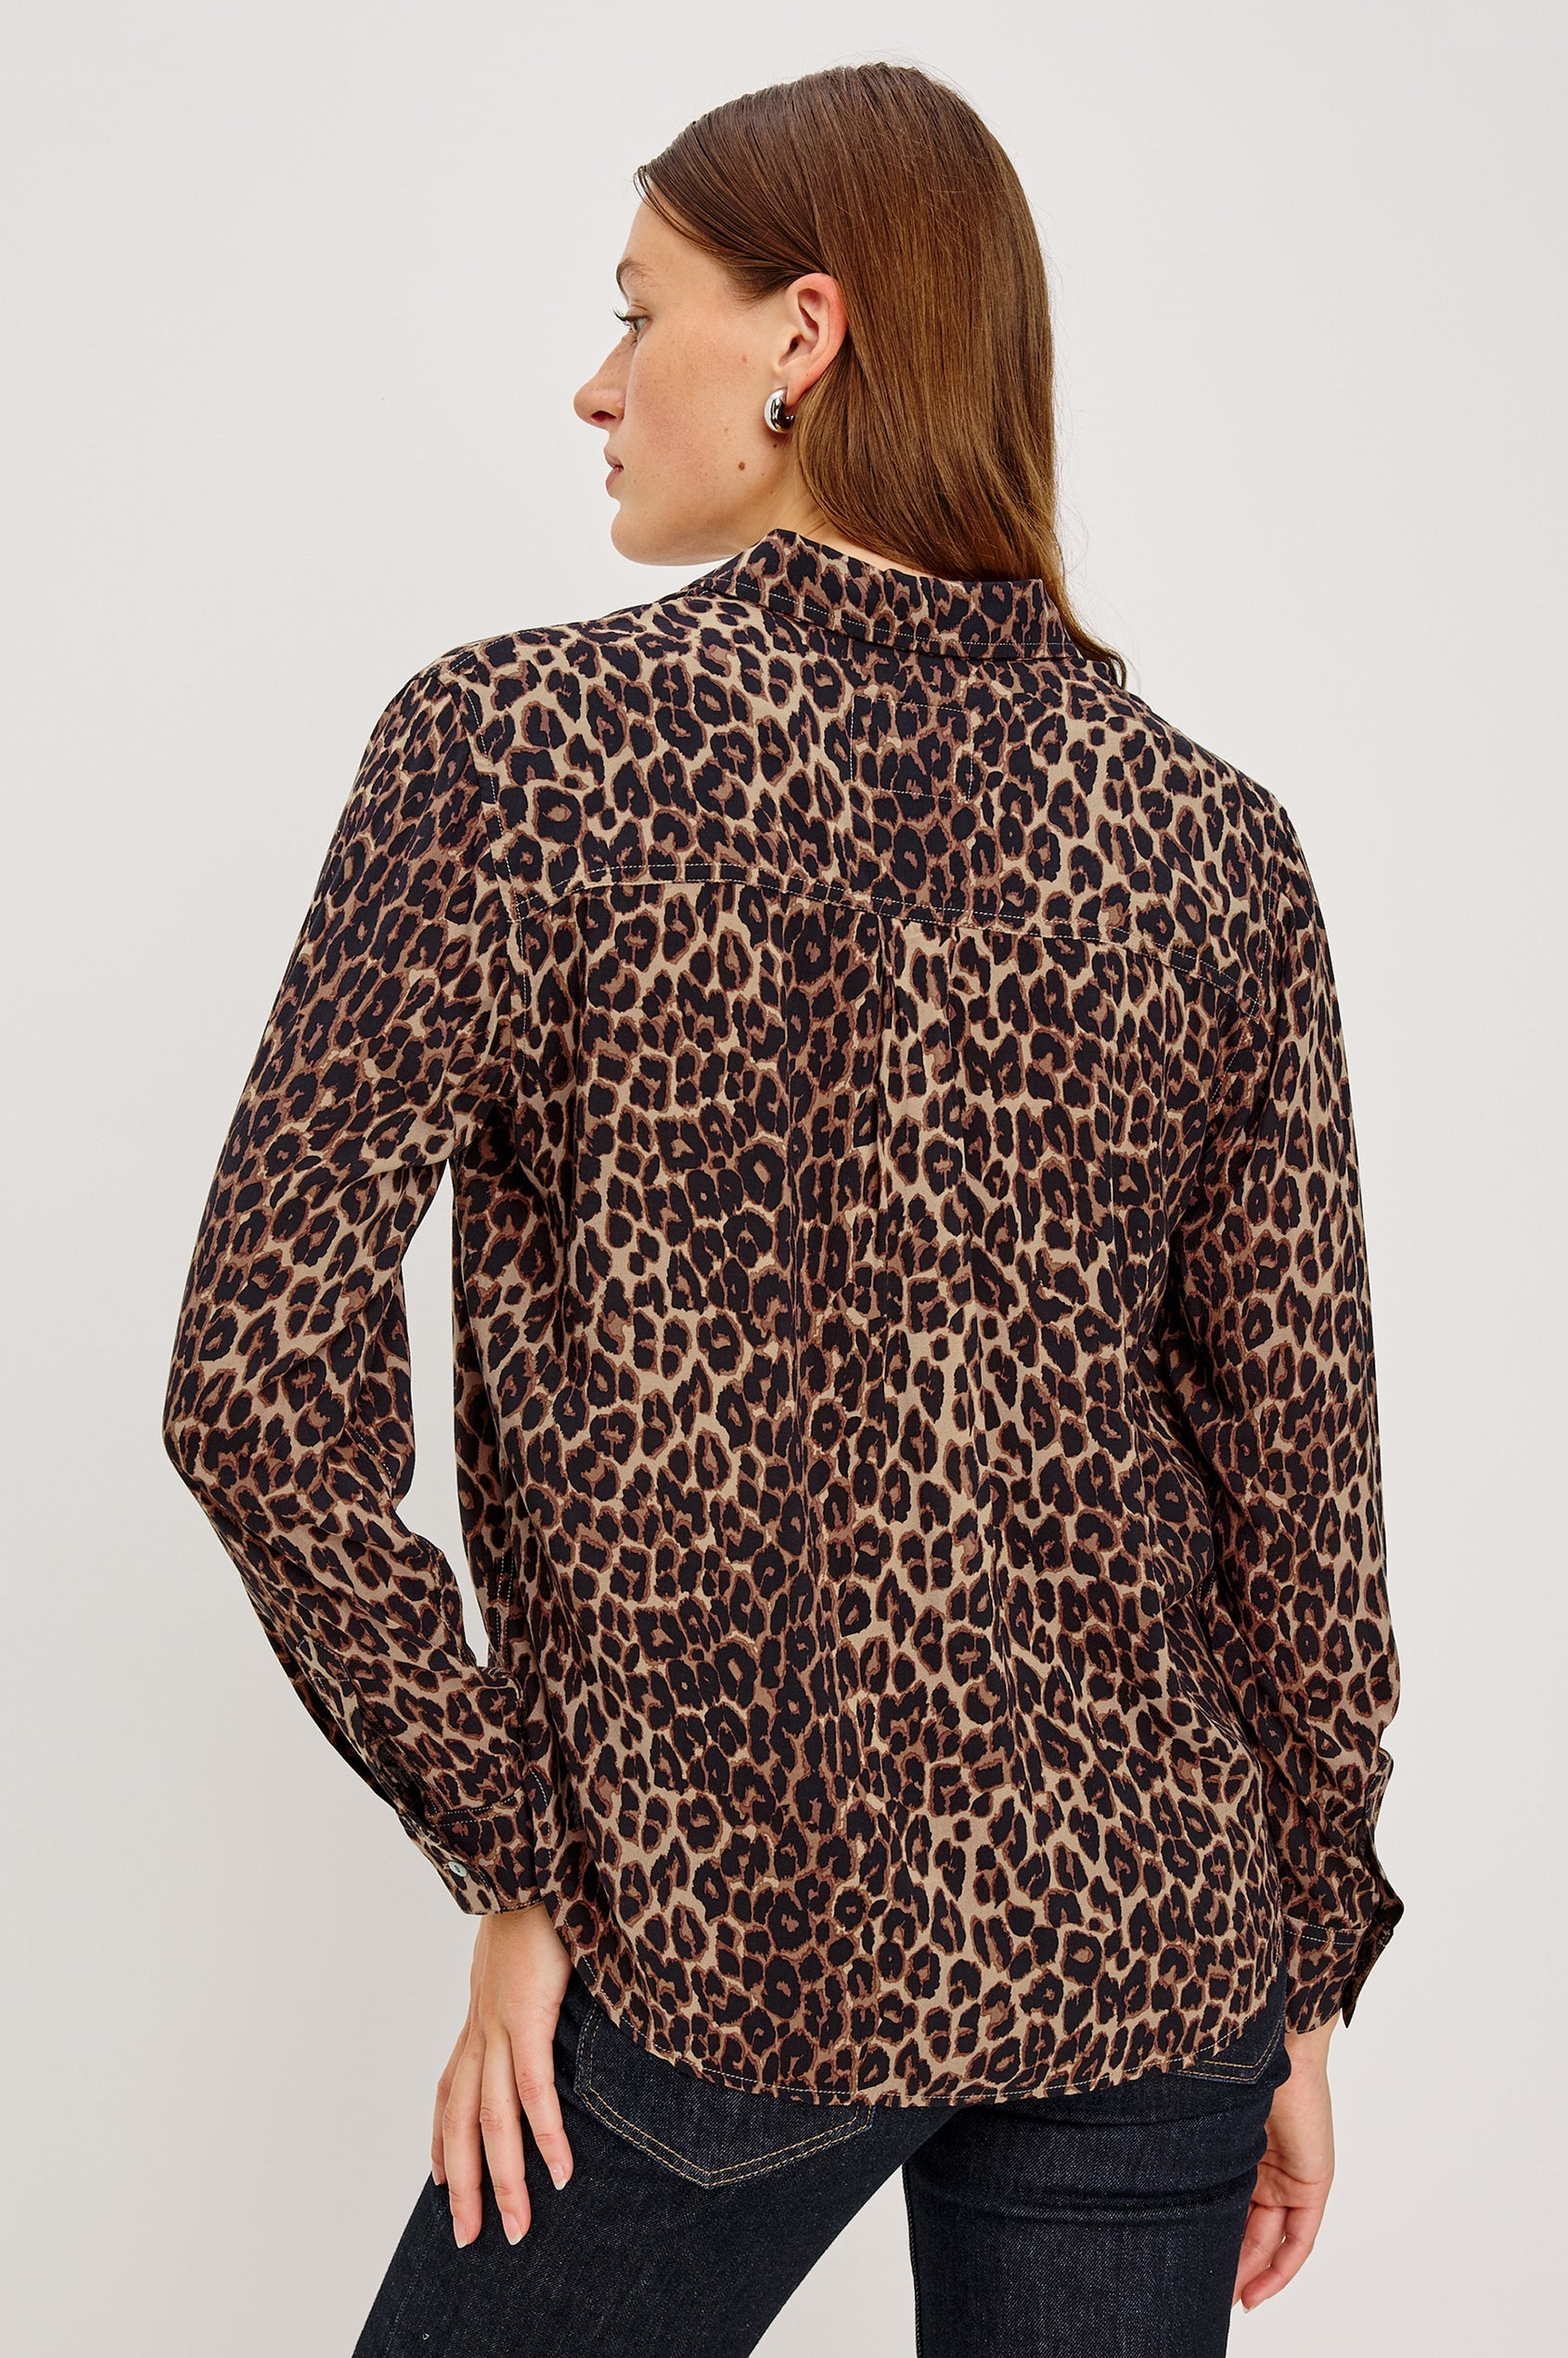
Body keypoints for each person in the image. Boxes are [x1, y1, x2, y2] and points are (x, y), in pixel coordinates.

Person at [162, 60, 1402, 2358]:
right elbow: (1300, 1488)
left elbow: (249, 1378)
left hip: (724, 1928)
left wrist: (518, 1850)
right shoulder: (1212, 846)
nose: (598, 379)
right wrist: (1297, 1967)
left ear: (802, 336)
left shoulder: (516, 753)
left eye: (641, 309)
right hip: (1152, 1941)